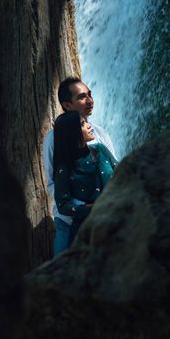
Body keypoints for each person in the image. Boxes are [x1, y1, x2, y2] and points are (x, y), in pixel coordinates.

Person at [43, 77, 116, 255]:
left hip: (103, 220)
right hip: (68, 222)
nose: (90, 101)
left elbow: (117, 173)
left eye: (90, 95)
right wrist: (81, 207)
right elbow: (53, 181)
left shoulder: (100, 135)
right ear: (67, 105)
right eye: (82, 97)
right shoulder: (53, 140)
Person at [53, 111, 117, 245]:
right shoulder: (64, 167)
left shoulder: (101, 149)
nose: (89, 126)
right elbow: (63, 205)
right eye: (82, 124)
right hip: (86, 233)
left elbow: (122, 172)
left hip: (115, 222)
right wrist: (93, 208)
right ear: (72, 133)